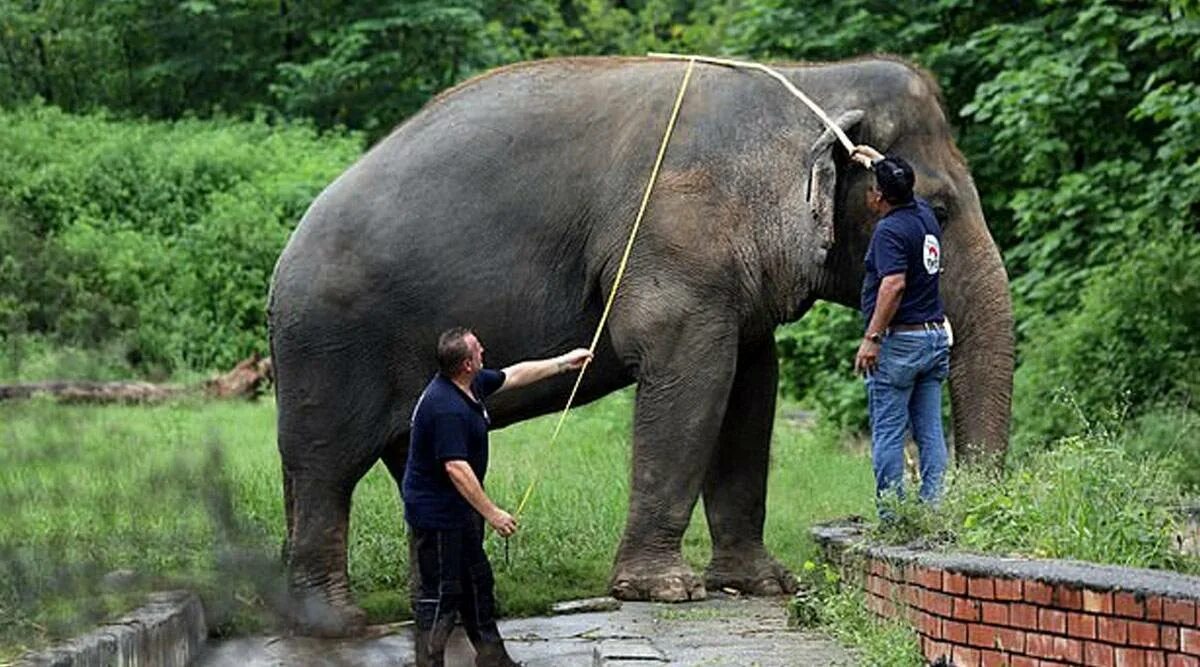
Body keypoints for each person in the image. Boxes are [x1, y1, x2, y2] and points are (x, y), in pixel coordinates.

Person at [403, 327, 591, 667]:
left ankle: (493, 659)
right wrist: (492, 514)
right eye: (478, 350)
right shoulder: (446, 407)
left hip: (459, 512)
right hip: (438, 516)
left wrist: (564, 363)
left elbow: (514, 374)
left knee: (477, 584)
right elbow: (456, 468)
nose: (484, 350)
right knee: (443, 595)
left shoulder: (468, 385)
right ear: (466, 364)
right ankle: (427, 662)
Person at [850, 145, 951, 515]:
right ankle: (933, 509)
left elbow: (893, 285)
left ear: (878, 197)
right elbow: (902, 186)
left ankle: (891, 517)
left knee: (889, 431)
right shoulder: (923, 214)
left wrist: (872, 338)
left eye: (871, 187)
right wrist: (878, 162)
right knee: (930, 430)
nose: (867, 193)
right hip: (934, 337)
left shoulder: (889, 231)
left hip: (900, 343)